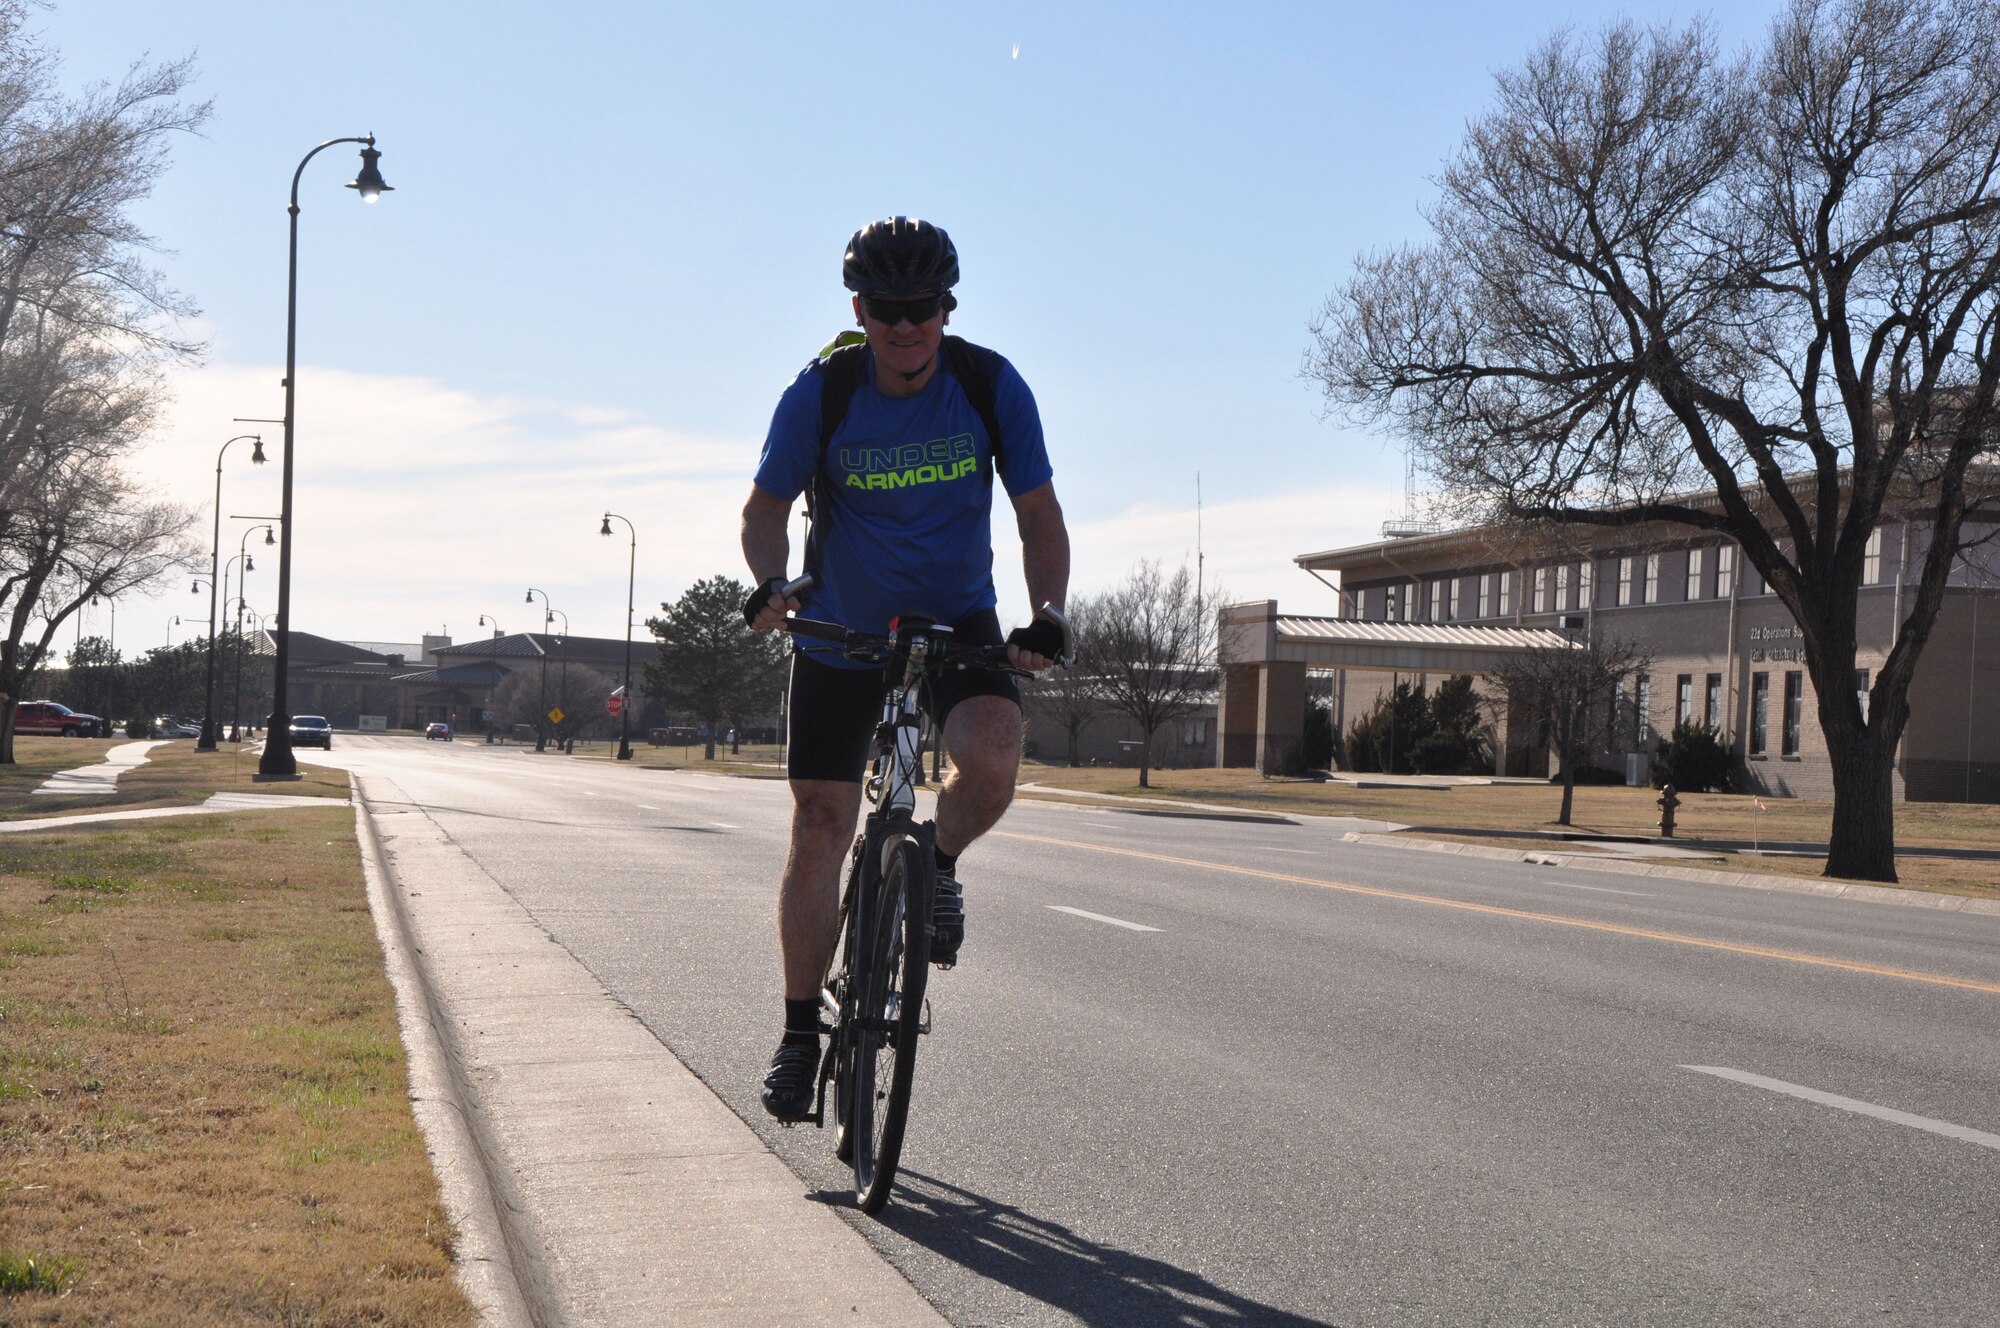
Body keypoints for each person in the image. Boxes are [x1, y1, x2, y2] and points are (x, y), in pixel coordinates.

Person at [741, 216, 1072, 1122]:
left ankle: (940, 861)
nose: (904, 326)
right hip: (840, 628)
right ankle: (800, 1033)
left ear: (944, 307)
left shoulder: (989, 385)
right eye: (886, 308)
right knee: (819, 825)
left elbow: (1038, 515)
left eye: (920, 307)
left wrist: (1046, 616)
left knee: (996, 759)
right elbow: (764, 507)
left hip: (957, 620)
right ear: (860, 307)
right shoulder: (824, 391)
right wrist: (772, 584)